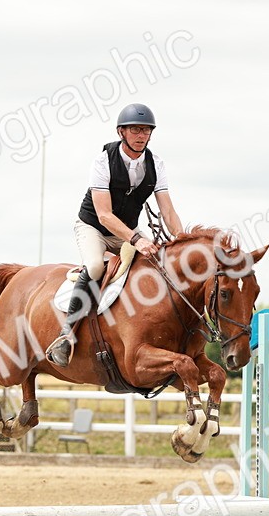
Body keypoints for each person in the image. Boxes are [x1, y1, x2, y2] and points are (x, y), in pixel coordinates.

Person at [46, 103, 185, 368]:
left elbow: (167, 209)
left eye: (146, 130)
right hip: (94, 227)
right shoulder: (102, 161)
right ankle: (66, 335)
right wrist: (136, 240)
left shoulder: (156, 164)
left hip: (128, 232)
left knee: (158, 265)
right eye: (135, 129)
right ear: (121, 132)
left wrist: (181, 241)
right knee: (97, 266)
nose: (141, 135)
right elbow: (104, 215)